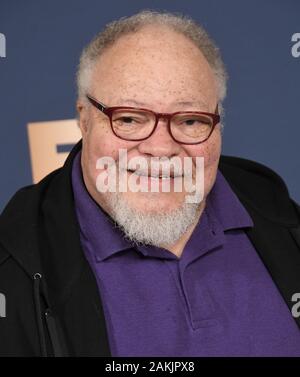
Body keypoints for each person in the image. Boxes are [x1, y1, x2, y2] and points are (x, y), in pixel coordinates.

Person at [1, 10, 300, 357]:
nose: (160, 148)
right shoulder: (15, 270)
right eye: (128, 118)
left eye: (190, 120)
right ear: (84, 120)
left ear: (218, 125)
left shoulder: (277, 214)